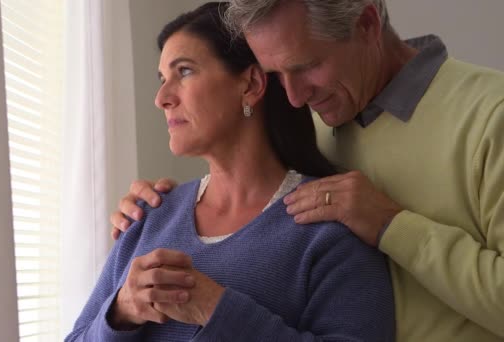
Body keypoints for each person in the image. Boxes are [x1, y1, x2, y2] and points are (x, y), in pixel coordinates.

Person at [111, 0, 504, 341]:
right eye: (277, 75)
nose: (295, 97)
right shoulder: (314, 123)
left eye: (307, 65)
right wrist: (160, 212)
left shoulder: (491, 116)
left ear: (367, 25)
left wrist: (391, 225)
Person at [66, 3, 394, 341]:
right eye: (163, 79)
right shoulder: (147, 216)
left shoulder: (331, 226)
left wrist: (215, 310)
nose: (162, 97)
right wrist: (120, 313)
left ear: (251, 84)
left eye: (185, 71)